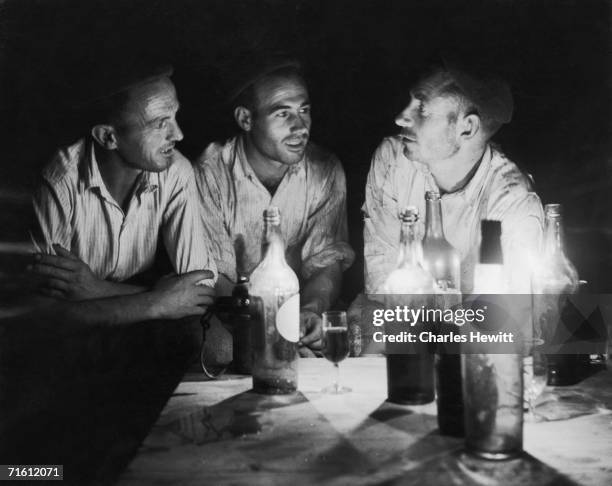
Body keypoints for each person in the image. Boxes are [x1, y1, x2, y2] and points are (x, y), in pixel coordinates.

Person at [29, 65, 217, 325]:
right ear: (108, 137)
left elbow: (199, 289)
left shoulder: (176, 170)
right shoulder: (59, 182)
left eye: (174, 116)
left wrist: (96, 290)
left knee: (215, 343)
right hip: (71, 336)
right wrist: (157, 301)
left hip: (134, 320)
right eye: (160, 124)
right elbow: (44, 311)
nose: (178, 134)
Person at [194, 59, 354, 355]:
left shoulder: (325, 169)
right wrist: (272, 330)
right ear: (245, 119)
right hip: (234, 314)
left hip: (297, 315)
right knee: (221, 349)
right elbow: (217, 278)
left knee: (348, 338)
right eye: (282, 113)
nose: (300, 126)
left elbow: (327, 261)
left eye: (304, 110)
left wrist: (308, 311)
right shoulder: (210, 172)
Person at [363, 59, 543, 296]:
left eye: (422, 109)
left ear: (467, 128)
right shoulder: (394, 161)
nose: (401, 118)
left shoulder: (513, 202)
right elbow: (382, 282)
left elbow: (502, 316)